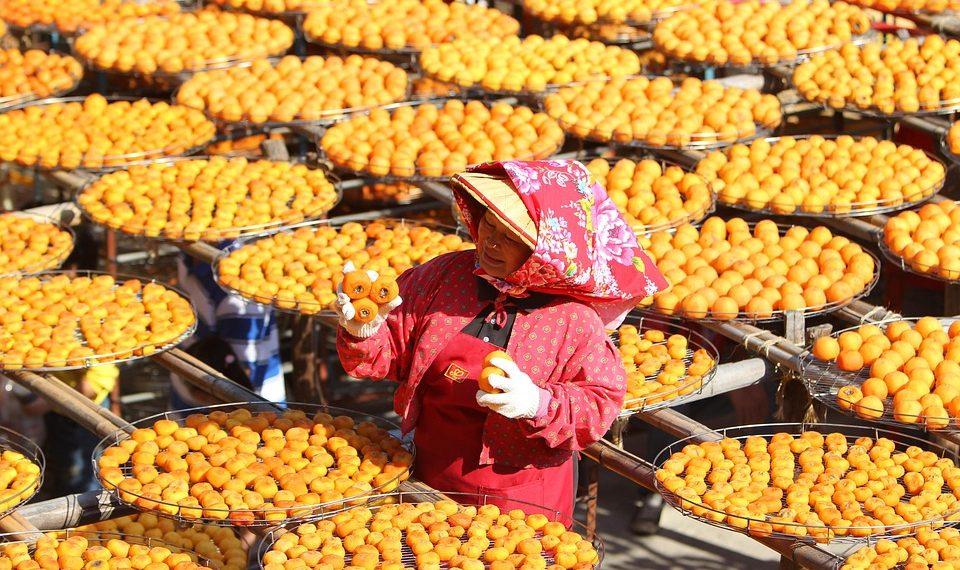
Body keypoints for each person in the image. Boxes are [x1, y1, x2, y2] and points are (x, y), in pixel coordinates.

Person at [335, 159, 667, 517]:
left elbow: (598, 406)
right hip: (431, 471)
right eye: (489, 226)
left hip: (520, 497)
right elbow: (391, 356)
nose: (491, 243)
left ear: (543, 251)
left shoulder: (572, 319)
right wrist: (363, 331)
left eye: (511, 238)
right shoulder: (447, 276)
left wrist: (537, 404)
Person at [169, 251, 285, 408]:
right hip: (190, 395)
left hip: (234, 413)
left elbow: (244, 382)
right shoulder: (188, 256)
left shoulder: (234, 290)